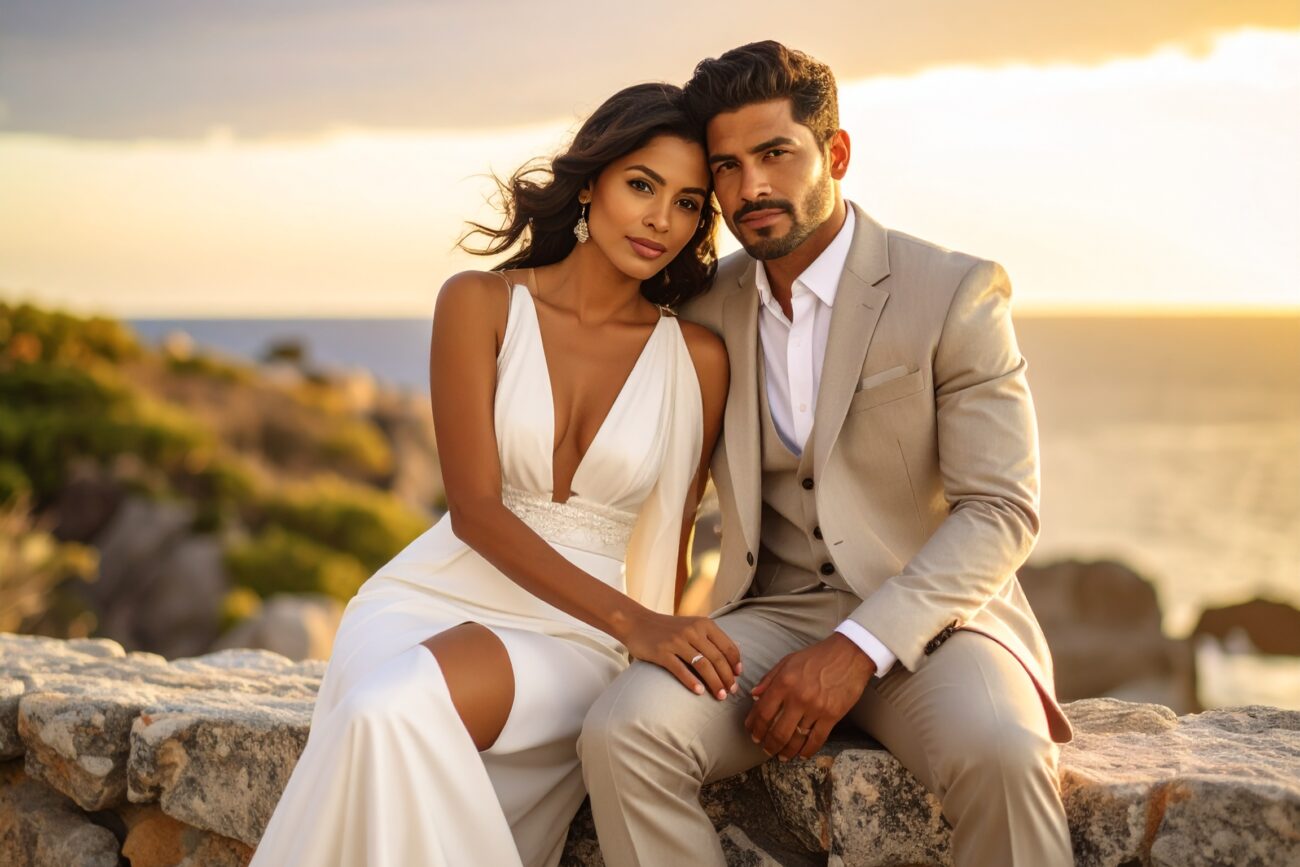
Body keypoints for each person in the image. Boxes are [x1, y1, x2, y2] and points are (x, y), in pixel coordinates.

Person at [579, 42, 1075, 866]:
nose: (750, 188)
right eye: (728, 166)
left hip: (937, 621)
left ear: (835, 153)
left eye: (776, 154)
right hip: (767, 617)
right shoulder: (702, 305)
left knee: (1002, 754)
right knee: (623, 730)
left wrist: (856, 648)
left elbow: (1002, 509)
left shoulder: (951, 291)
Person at [248, 82, 737, 867]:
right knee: (381, 711)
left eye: (687, 203)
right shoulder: (479, 303)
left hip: (580, 633)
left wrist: (650, 642)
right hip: (430, 595)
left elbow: (671, 540)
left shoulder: (697, 358)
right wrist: (637, 622)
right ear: (591, 183)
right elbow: (474, 509)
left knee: (389, 712)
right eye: (642, 185)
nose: (660, 220)